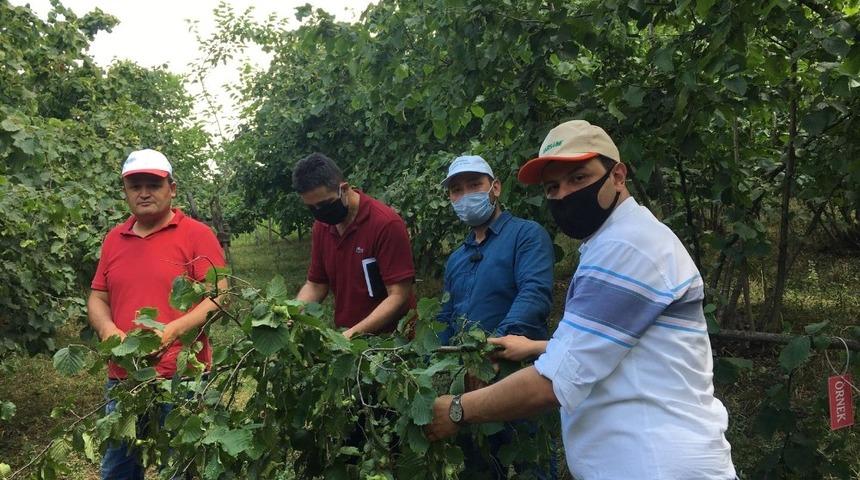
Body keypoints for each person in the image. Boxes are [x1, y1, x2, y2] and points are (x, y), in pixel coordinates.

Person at [426, 120, 737, 479]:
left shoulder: (626, 247)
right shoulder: (611, 241)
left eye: (579, 178)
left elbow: (555, 381)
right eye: (553, 187)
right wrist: (535, 347)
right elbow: (617, 344)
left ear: (617, 176)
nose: (564, 195)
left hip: (655, 463)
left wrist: (457, 410)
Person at [88, 149, 228, 479]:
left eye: (153, 183)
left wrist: (173, 330)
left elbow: (219, 296)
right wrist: (109, 331)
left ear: (172, 188)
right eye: (135, 185)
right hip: (124, 377)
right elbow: (97, 297)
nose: (144, 192)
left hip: (183, 375)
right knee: (119, 468)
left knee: (184, 466)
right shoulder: (114, 238)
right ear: (125, 192)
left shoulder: (196, 234)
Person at [437, 154, 555, 479]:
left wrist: (492, 350)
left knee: (532, 461)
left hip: (519, 373)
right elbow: (447, 316)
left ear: (496, 187)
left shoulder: (526, 236)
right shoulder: (457, 259)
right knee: (479, 465)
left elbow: (533, 294)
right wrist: (433, 365)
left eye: (475, 185)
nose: (466, 196)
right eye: (456, 190)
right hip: (469, 381)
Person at [293, 152, 416, 337]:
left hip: (393, 341)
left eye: (325, 204)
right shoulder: (322, 227)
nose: (320, 212)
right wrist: (293, 314)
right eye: (312, 208)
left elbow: (398, 295)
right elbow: (316, 284)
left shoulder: (386, 225)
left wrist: (350, 335)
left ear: (343, 188)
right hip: (349, 336)